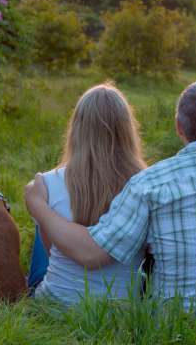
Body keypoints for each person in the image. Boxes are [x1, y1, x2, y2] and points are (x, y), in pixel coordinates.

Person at [26, 81, 196, 328]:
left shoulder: (151, 185)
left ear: (179, 127)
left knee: (45, 240)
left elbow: (92, 254)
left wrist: (38, 205)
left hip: (174, 320)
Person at [28, 83, 147, 304]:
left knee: (42, 211)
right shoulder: (146, 184)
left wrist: (39, 204)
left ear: (76, 127)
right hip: (122, 308)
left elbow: (51, 249)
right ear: (127, 129)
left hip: (55, 304)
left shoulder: (46, 183)